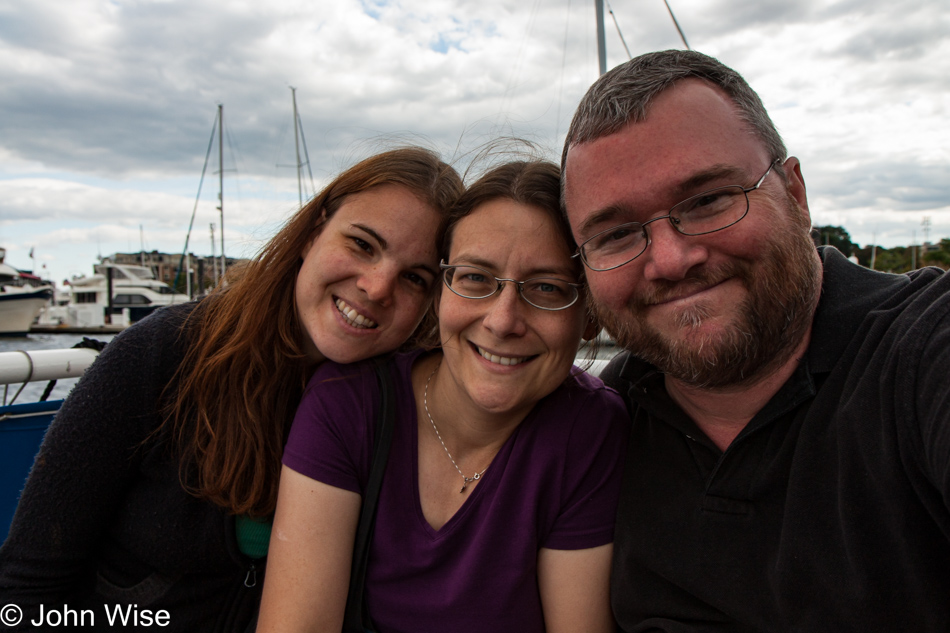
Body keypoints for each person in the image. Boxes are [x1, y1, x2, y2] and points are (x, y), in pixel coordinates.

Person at [560, 48, 950, 631]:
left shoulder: (922, 353)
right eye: (616, 235)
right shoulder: (598, 422)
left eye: (709, 201)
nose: (669, 260)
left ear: (794, 194)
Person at [0, 147, 464, 632]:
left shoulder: (406, 407)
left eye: (414, 277)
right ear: (312, 232)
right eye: (363, 245)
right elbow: (27, 588)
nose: (376, 286)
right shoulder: (168, 353)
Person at [257, 160, 629, 633]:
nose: (502, 320)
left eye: (546, 288)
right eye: (475, 277)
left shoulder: (589, 431)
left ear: (589, 316)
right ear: (440, 292)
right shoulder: (348, 404)